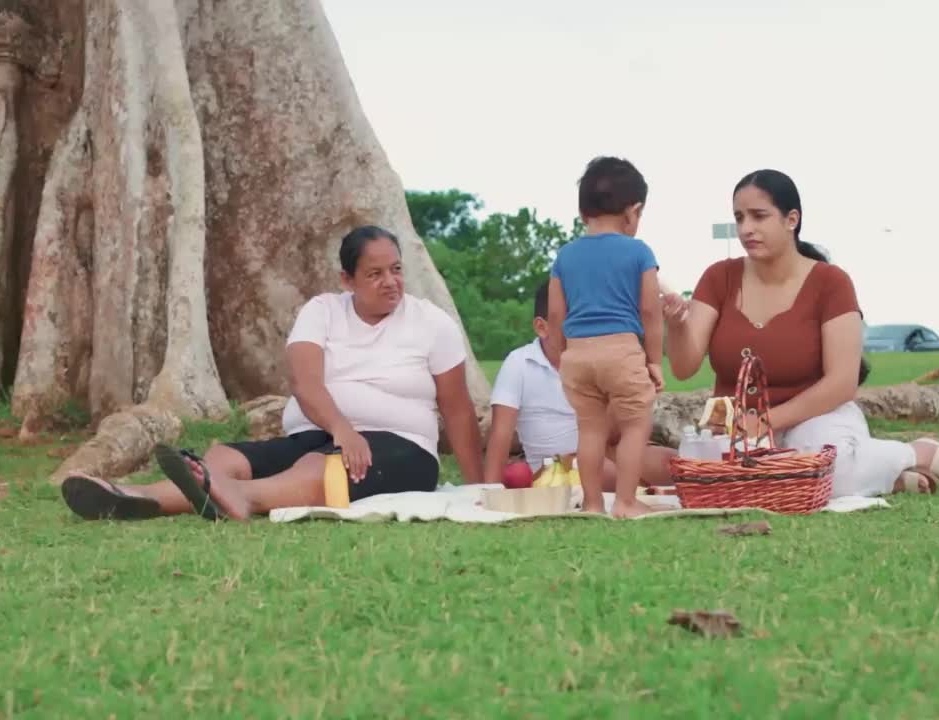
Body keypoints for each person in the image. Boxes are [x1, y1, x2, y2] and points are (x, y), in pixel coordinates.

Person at [61, 225, 484, 521]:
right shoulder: (322, 312)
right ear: (347, 279)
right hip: (322, 434)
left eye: (396, 269)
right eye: (374, 274)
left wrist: (478, 488)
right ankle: (134, 497)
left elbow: (459, 410)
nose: (390, 281)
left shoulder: (431, 323)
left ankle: (240, 497)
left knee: (318, 469)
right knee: (226, 458)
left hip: (402, 449)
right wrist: (342, 428)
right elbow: (305, 383)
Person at [661, 169, 939, 496]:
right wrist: (677, 326)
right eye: (740, 217)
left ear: (792, 219)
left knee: (823, 464)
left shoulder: (831, 283)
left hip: (817, 418)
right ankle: (887, 478)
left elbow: (842, 383)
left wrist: (766, 421)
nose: (747, 228)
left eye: (759, 216)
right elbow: (684, 366)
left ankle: (920, 453)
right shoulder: (719, 278)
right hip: (738, 429)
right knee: (704, 474)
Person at [545, 156, 665, 518]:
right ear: (633, 212)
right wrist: (654, 360)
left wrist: (561, 353)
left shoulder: (565, 255)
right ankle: (626, 501)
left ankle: (594, 503)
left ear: (583, 213)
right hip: (622, 350)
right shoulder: (639, 252)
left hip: (577, 355)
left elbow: (555, 315)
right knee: (634, 425)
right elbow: (650, 313)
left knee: (590, 430)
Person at [482, 279, 677, 488]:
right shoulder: (519, 363)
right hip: (556, 465)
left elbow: (613, 431)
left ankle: (638, 487)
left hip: (605, 449)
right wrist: (489, 489)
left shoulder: (598, 357)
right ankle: (634, 490)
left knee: (673, 463)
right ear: (542, 327)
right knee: (603, 471)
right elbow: (501, 434)